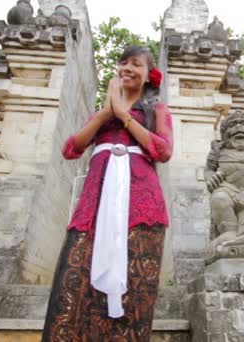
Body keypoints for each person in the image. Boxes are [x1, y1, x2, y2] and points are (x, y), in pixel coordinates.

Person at [42, 45, 173, 342]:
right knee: (75, 279)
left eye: (136, 64)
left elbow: (163, 151)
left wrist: (125, 116)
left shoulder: (157, 111)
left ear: (148, 75)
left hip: (141, 208)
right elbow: (70, 149)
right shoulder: (101, 114)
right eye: (123, 62)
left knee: (135, 288)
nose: (127, 68)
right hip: (95, 206)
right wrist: (107, 111)